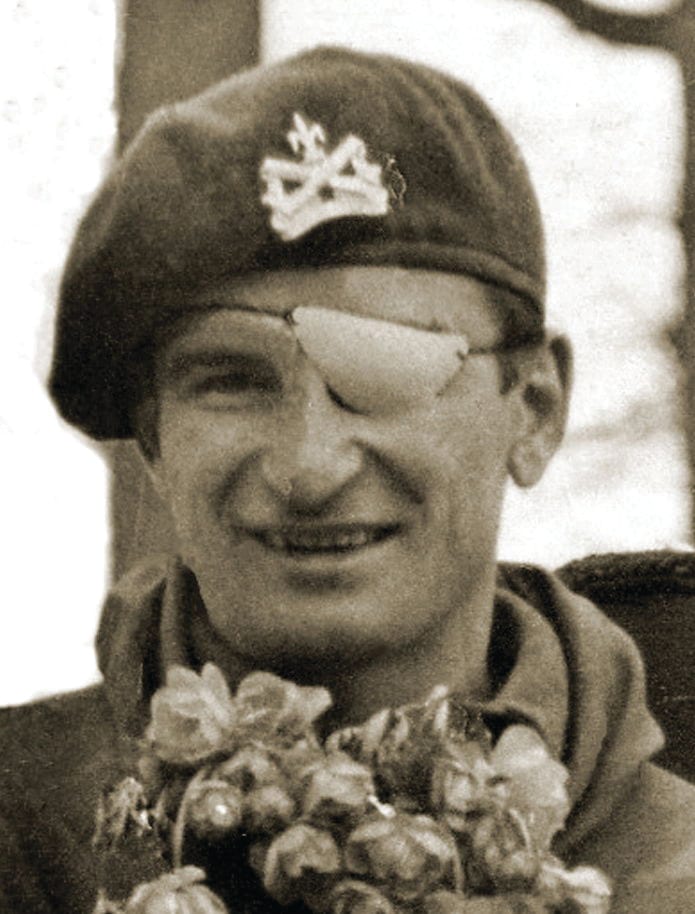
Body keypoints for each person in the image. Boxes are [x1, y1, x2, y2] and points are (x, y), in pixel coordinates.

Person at [1, 46, 693, 914]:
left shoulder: (677, 867)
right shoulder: (23, 843)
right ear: (154, 437)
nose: (307, 465)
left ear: (536, 409)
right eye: (229, 380)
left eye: (387, 370)